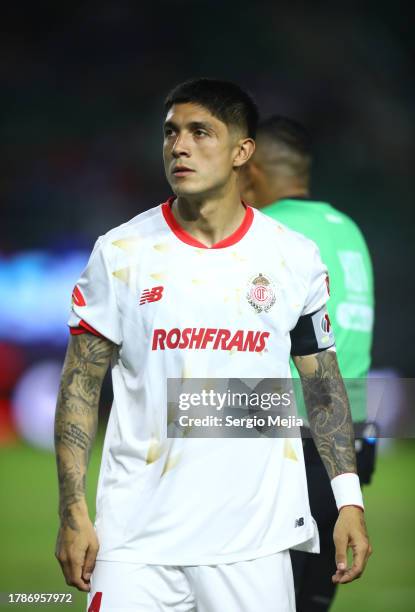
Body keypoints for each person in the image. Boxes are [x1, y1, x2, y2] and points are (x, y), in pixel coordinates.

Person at [54, 80, 371, 612]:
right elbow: (80, 383)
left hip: (255, 545)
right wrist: (71, 510)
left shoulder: (293, 257)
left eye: (201, 132)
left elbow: (322, 382)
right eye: (171, 133)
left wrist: (348, 500)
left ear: (242, 152)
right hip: (135, 542)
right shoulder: (120, 252)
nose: (180, 146)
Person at [240, 115, 375, 612]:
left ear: (251, 171)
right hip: (349, 441)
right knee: (312, 600)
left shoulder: (273, 235)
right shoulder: (349, 230)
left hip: (287, 446)